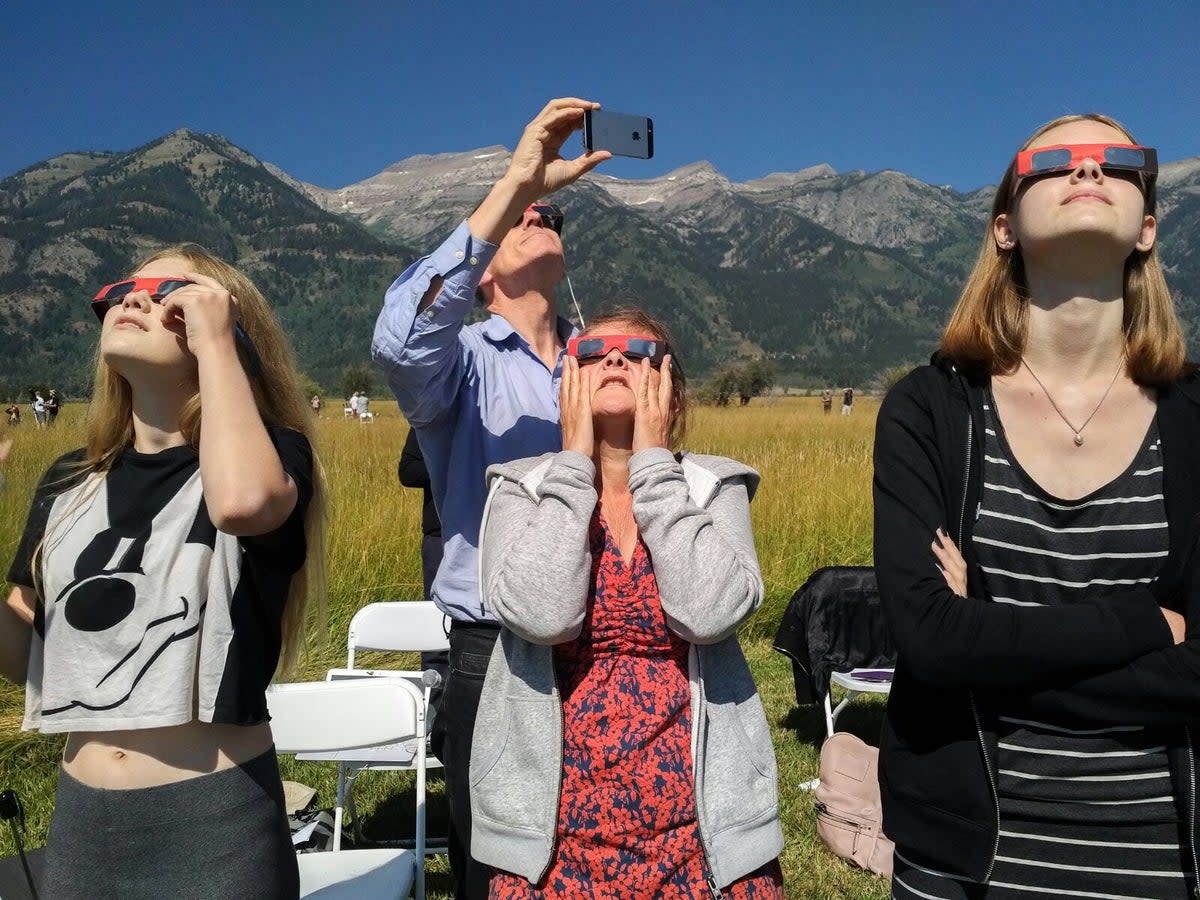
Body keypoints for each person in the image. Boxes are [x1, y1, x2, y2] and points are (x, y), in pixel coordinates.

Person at [874, 114, 1200, 898]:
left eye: (1117, 161)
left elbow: (951, 652)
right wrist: (1147, 623)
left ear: (1149, 227)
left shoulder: (1194, 419)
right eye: (1052, 160)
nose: (1086, 169)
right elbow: (927, 643)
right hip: (964, 861)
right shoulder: (931, 411)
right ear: (1005, 226)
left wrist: (979, 642)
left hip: (1164, 857)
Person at [0, 245, 326, 899]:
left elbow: (240, 504)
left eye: (172, 291)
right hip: (82, 826)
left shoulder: (274, 456)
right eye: (123, 288)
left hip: (215, 823)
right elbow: (27, 658)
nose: (134, 297)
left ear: (229, 328)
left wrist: (218, 347)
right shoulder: (69, 479)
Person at [372, 97, 611, 899]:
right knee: (500, 863)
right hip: (497, 646)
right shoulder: (464, 363)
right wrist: (516, 179)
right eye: (522, 215)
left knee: (600, 842)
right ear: (482, 277)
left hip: (606, 633)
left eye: (551, 213)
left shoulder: (600, 359)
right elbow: (399, 339)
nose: (542, 215)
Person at [471, 309, 784, 896]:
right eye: (592, 353)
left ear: (670, 387)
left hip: (701, 829)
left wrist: (653, 470)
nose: (614, 359)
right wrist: (571, 464)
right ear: (567, 380)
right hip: (553, 833)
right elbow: (543, 614)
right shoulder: (519, 487)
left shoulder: (713, 486)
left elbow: (710, 612)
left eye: (636, 351)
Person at [398, 427, 448, 716]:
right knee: (435, 623)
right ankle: (431, 715)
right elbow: (408, 472)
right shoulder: (427, 420)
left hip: (491, 531)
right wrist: (453, 459)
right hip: (439, 535)